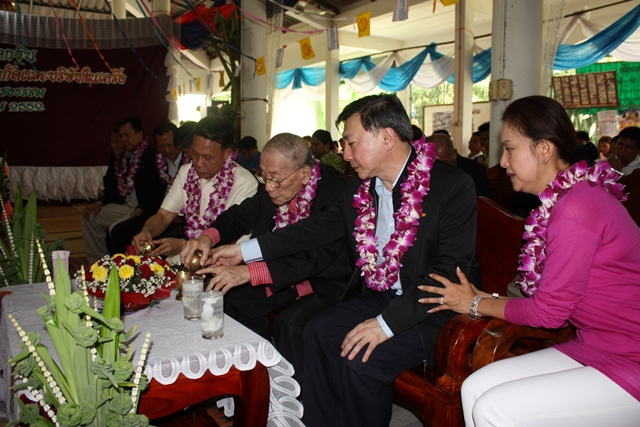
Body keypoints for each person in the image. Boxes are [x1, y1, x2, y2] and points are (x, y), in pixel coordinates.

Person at [207, 94, 481, 426]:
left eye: (351, 143)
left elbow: (446, 275)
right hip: (381, 295)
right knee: (317, 330)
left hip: (433, 307)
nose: (345, 154)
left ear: (386, 137)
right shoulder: (360, 187)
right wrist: (245, 252)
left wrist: (385, 325)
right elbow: (315, 229)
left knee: (362, 356)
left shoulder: (451, 186)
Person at [418, 95, 640, 427]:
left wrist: (475, 303)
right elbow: (550, 301)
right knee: (475, 388)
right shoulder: (565, 200)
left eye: (509, 149)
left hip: (631, 356)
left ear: (544, 149)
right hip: (594, 344)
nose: (503, 162)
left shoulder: (576, 207)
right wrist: (483, 297)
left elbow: (548, 313)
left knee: (494, 408)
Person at [181, 133, 354, 389]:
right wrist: (207, 237)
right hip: (283, 268)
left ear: (305, 174)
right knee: (229, 296)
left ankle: (293, 394)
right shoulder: (277, 181)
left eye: (274, 179)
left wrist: (249, 271)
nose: (268, 187)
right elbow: (243, 213)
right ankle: (254, 377)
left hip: (322, 280)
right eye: (264, 177)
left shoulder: (336, 192)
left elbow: (315, 256)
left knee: (290, 323)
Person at [131, 116, 258, 258]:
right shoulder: (186, 171)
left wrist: (182, 245)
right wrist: (146, 231)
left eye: (207, 157)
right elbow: (164, 215)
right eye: (195, 154)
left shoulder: (245, 183)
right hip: (187, 253)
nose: (198, 163)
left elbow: (231, 233)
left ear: (226, 154)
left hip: (224, 260)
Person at [82, 117, 166, 263]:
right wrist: (100, 202)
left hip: (143, 208)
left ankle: (123, 265)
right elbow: (113, 188)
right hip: (123, 205)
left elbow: (158, 192)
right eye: (121, 136)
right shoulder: (120, 156)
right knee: (90, 217)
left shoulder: (153, 157)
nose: (124, 140)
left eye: (127, 135)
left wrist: (142, 208)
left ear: (139, 134)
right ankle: (98, 262)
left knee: (116, 229)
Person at [109, 121, 190, 253]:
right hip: (158, 211)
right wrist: (142, 210)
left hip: (182, 215)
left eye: (170, 144)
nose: (167, 150)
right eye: (162, 146)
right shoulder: (154, 162)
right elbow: (151, 195)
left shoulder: (190, 162)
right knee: (120, 231)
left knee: (161, 240)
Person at [430, 132, 494, 200]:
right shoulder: (423, 171)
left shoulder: (476, 172)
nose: (438, 168)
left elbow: (486, 202)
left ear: (454, 154)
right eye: (430, 163)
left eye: (444, 163)